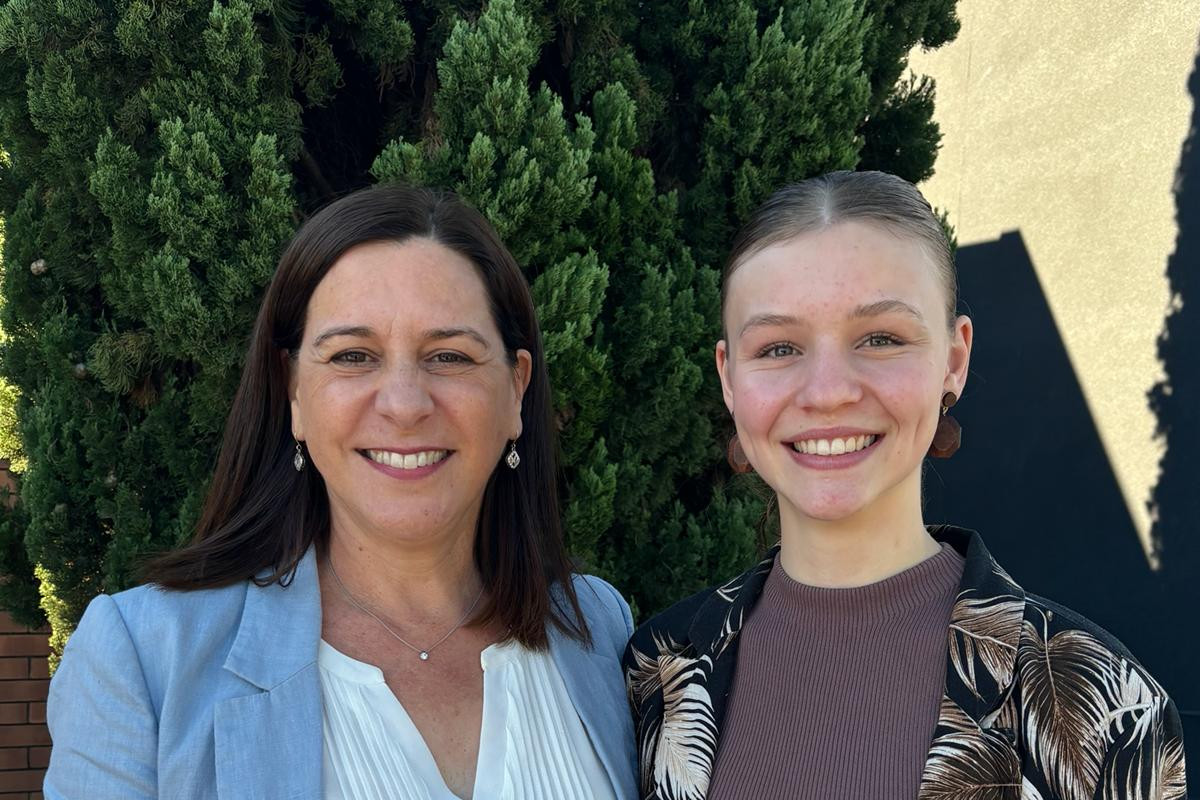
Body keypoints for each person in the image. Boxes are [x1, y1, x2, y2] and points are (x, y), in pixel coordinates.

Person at [45, 184, 636, 800]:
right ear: (294, 392)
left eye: (450, 357)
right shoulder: (144, 660)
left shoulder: (597, 625)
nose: (405, 404)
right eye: (353, 356)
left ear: (515, 391)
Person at [624, 171, 1187, 800]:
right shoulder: (658, 672)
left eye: (882, 338)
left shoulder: (1105, 704)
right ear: (730, 378)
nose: (828, 390)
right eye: (780, 348)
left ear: (953, 360)